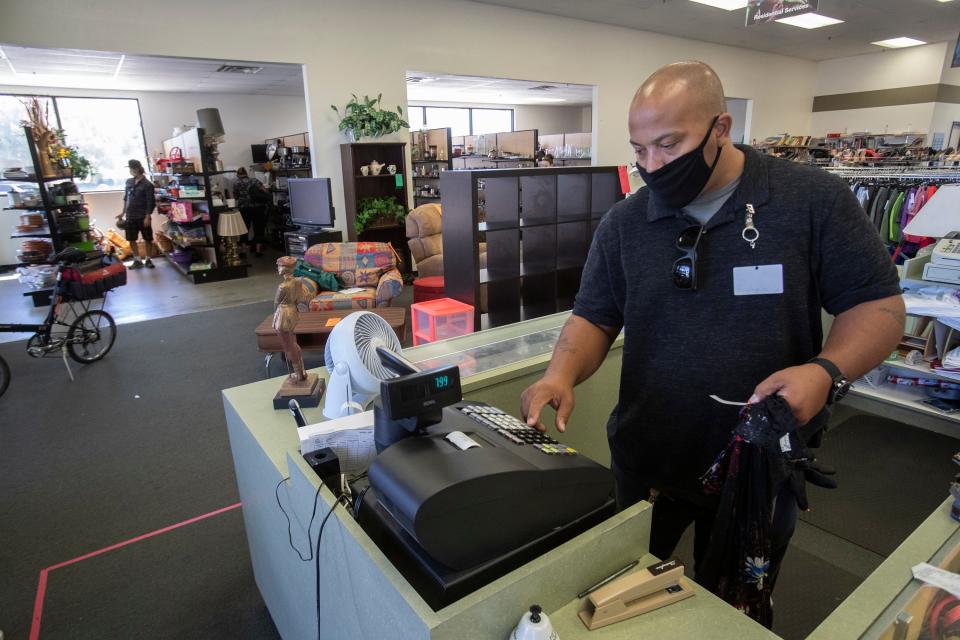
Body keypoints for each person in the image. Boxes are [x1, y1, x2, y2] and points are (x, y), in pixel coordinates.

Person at [520, 61, 905, 620]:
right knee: (613, 600)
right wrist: (559, 373)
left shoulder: (812, 201)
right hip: (649, 455)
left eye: (669, 145)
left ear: (721, 128)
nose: (652, 166)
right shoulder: (626, 223)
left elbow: (879, 307)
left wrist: (825, 370)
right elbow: (594, 317)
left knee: (732, 609)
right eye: (639, 149)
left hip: (757, 464)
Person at [274, 256, 306, 382]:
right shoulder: (298, 281)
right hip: (293, 312)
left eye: (279, 266)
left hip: (283, 314)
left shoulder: (282, 287)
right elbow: (299, 299)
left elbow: (276, 303)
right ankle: (302, 371)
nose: (278, 268)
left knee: (288, 346)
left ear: (285, 268)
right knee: (292, 342)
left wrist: (275, 314)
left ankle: (298, 374)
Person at [119, 159, 156, 269]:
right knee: (131, 239)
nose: (130, 171)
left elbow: (151, 202)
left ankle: (148, 259)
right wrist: (122, 213)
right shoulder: (129, 182)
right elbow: (126, 198)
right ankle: (137, 260)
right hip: (130, 215)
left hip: (143, 216)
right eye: (129, 168)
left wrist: (147, 217)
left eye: (131, 168)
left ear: (137, 169)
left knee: (148, 238)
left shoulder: (147, 185)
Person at [234, 167, 268, 256]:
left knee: (244, 229)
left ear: (238, 175)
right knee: (259, 229)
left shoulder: (236, 183)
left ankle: (243, 251)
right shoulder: (254, 180)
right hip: (258, 208)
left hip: (244, 208)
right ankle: (258, 251)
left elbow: (236, 196)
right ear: (246, 173)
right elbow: (265, 191)